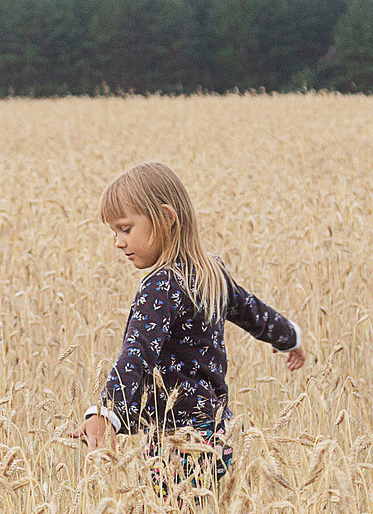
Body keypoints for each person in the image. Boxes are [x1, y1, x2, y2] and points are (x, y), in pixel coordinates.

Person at [77, 161, 307, 495]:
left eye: (126, 229)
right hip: (215, 434)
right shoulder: (210, 272)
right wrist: (289, 338)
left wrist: (105, 414)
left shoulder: (161, 286)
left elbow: (136, 355)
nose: (118, 242)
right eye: (114, 232)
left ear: (166, 218)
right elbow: (254, 312)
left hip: (178, 442)